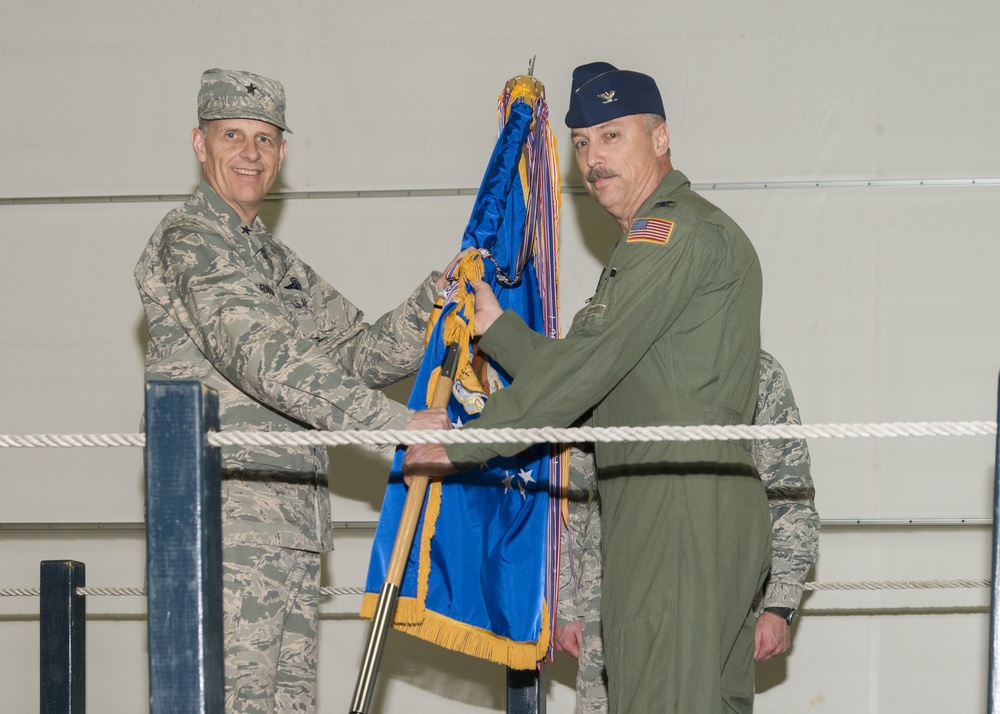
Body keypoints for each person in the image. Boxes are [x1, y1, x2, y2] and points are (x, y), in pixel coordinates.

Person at [403, 61, 770, 712]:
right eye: (581, 143)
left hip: (674, 510)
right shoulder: (671, 236)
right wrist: (500, 329)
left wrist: (466, 444)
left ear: (660, 139)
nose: (594, 158)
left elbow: (591, 367)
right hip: (688, 505)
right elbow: (610, 377)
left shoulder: (669, 234)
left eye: (612, 136)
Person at [134, 68, 467, 713]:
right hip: (224, 521)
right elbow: (260, 355)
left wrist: (436, 299)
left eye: (265, 138)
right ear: (200, 146)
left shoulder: (274, 261)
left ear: (282, 154)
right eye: (232, 135)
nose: (250, 153)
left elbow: (351, 353)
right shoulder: (191, 240)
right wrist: (391, 425)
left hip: (287, 526)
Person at [555, 349, 820, 714]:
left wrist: (779, 605)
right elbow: (570, 499)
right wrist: (567, 606)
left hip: (716, 599)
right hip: (613, 601)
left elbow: (791, 497)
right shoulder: (618, 358)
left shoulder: (751, 371)